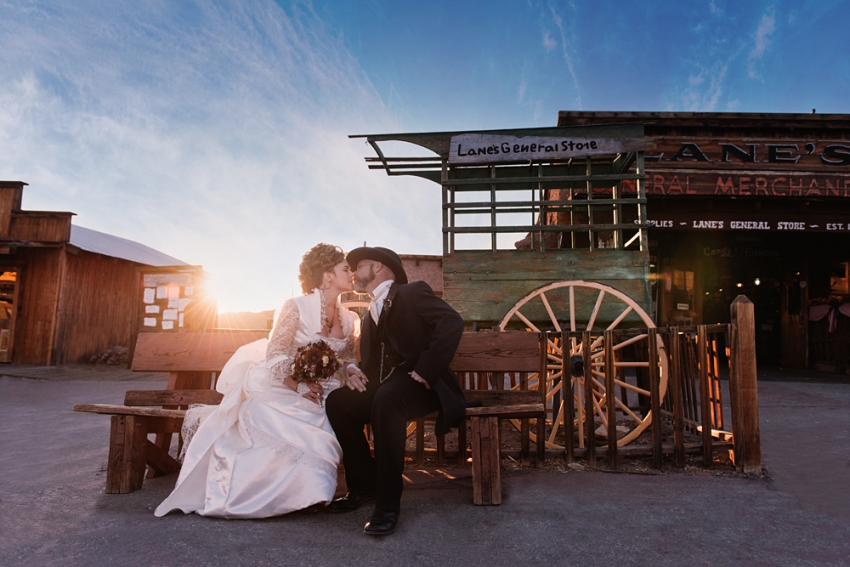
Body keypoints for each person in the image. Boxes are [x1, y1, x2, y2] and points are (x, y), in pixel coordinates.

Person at [155, 243, 360, 518]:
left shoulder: (350, 319)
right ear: (327, 275)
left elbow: (347, 359)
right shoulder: (295, 307)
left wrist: (350, 371)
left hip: (326, 387)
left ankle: (308, 493)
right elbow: (275, 353)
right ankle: (259, 493)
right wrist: (298, 385)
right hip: (283, 383)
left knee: (330, 410)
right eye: (346, 268)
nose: (353, 273)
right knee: (282, 415)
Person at [325, 246, 466, 536]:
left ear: (377, 267)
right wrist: (356, 377)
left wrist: (426, 369)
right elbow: (376, 363)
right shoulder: (367, 314)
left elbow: (452, 321)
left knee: (388, 399)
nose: (353, 273)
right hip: (385, 388)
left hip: (422, 387)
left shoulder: (412, 292)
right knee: (339, 402)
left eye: (358, 266)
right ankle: (365, 486)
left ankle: (388, 506)